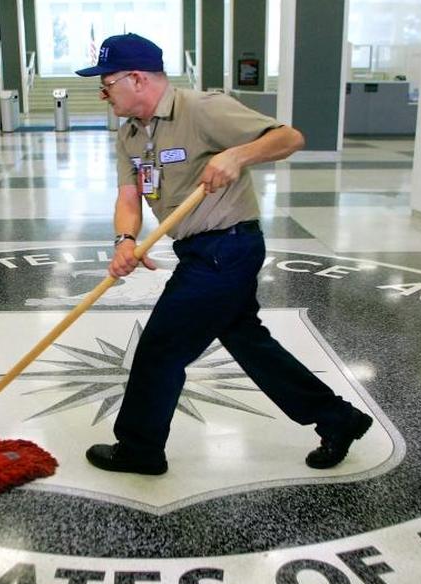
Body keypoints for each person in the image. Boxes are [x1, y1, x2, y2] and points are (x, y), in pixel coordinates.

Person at [74, 33, 372, 476]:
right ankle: (338, 418)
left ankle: (140, 448)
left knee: (161, 347)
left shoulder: (201, 108)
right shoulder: (130, 134)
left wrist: (238, 154)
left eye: (107, 83)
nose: (103, 93)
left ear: (136, 79)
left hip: (227, 247)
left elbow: (289, 137)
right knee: (249, 342)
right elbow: (128, 198)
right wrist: (125, 241)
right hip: (198, 249)